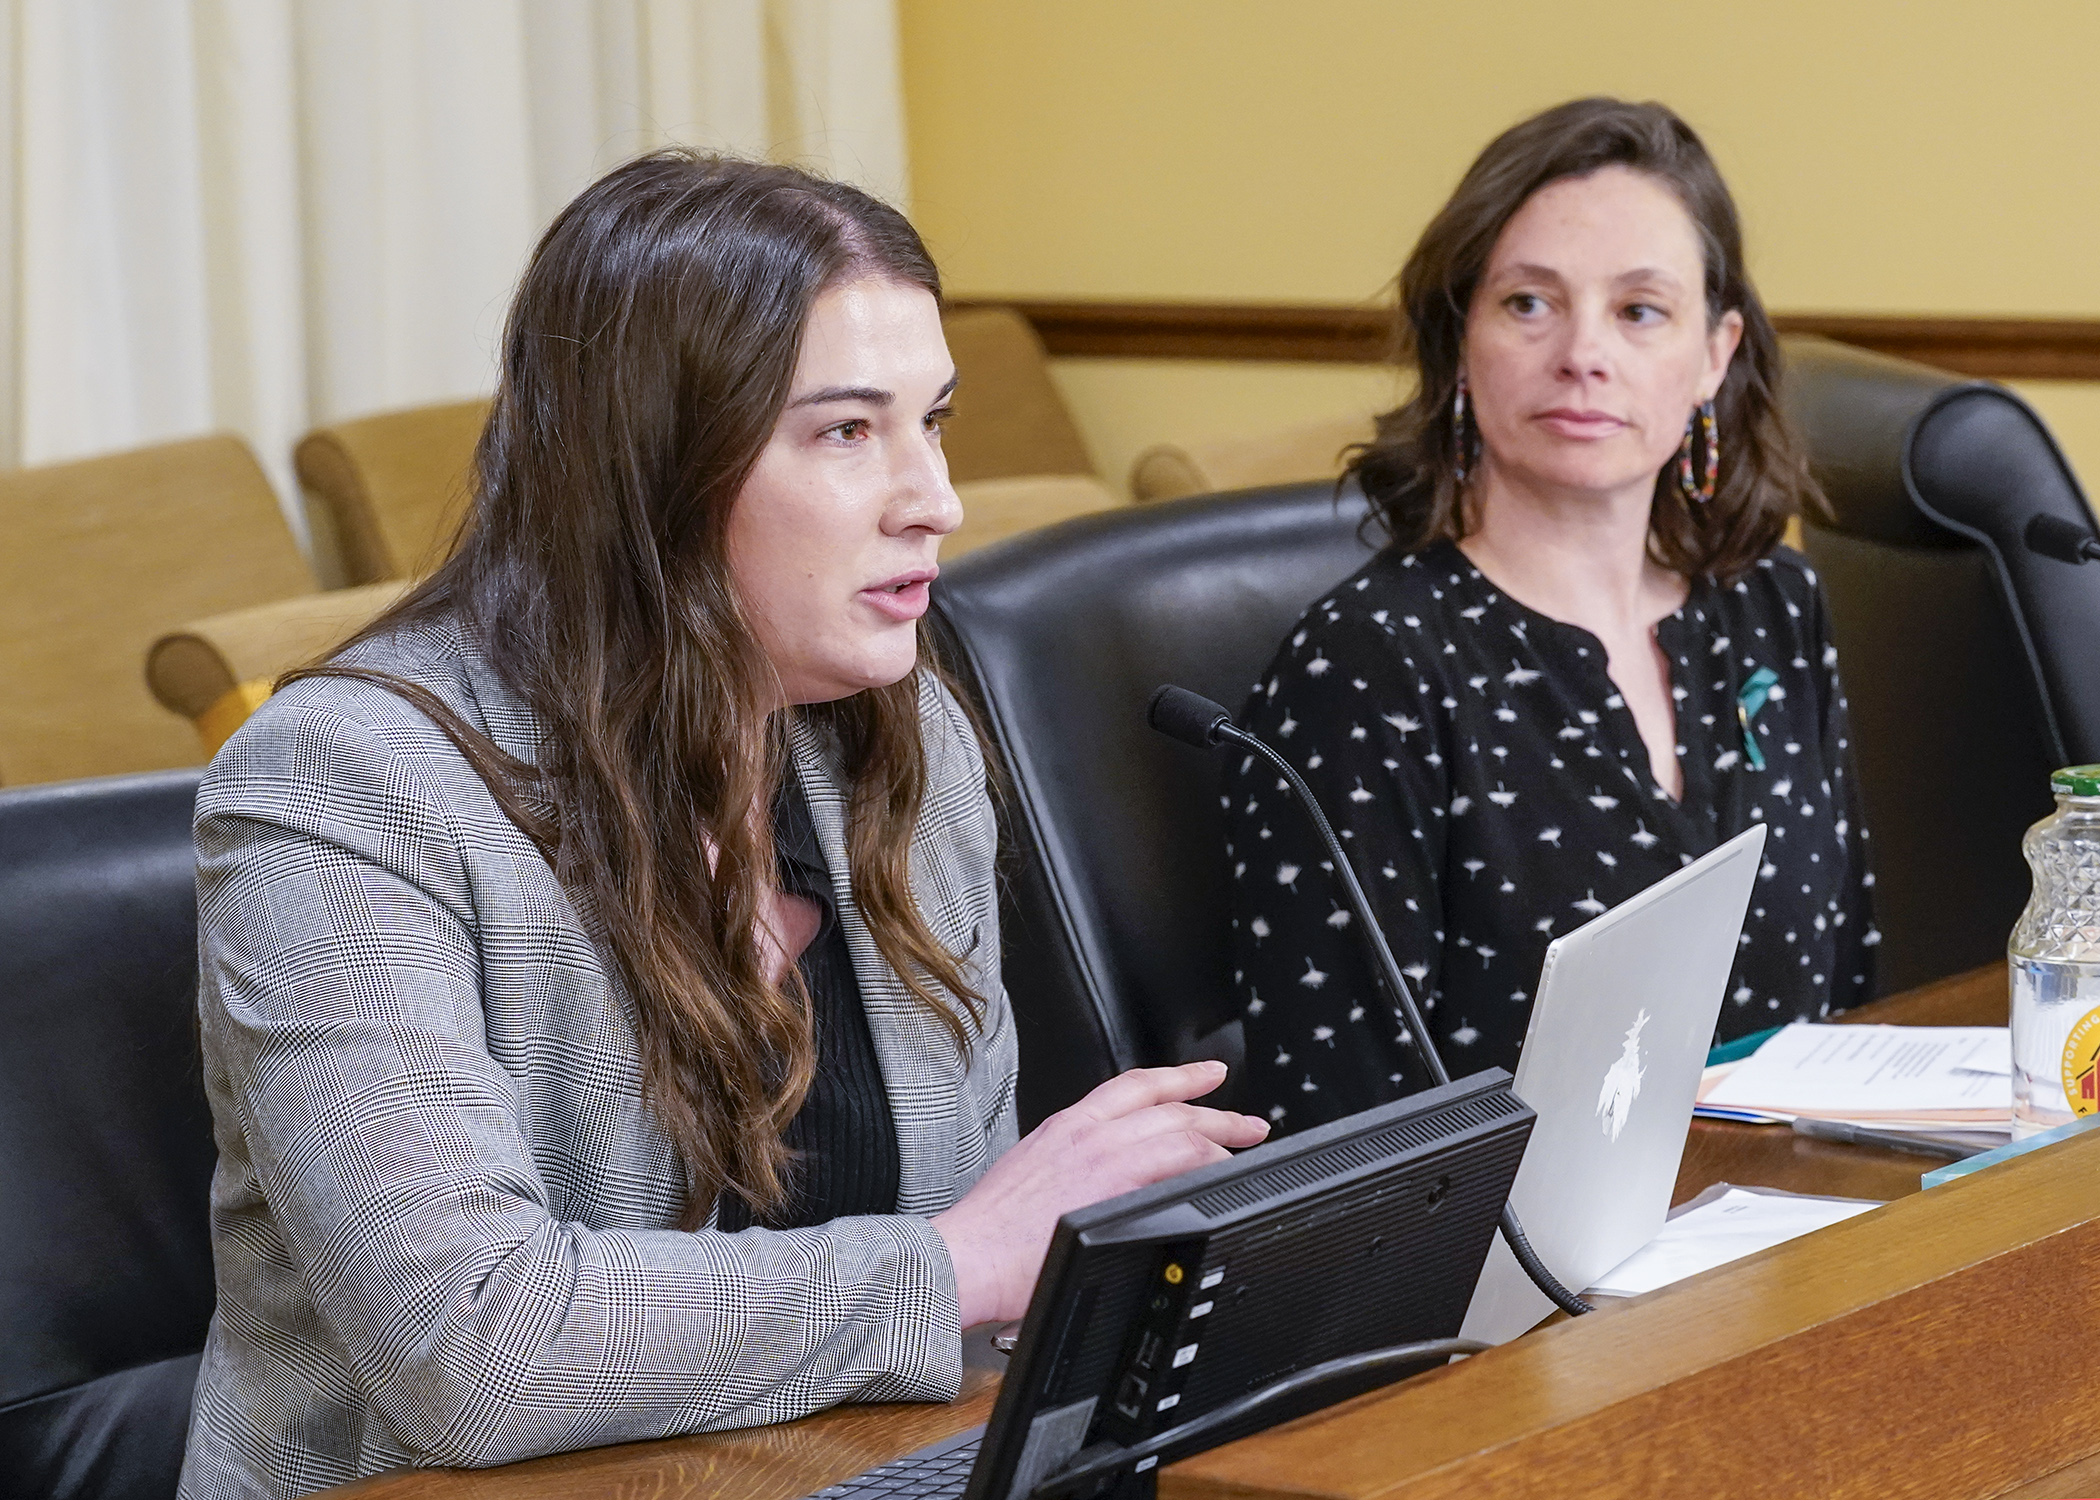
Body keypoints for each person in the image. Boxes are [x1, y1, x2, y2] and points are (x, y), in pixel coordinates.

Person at [180, 152, 1267, 1500]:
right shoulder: (339, 786)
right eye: (846, 431)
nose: (936, 497)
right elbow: (471, 1343)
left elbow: (980, 1316)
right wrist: (959, 1263)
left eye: (934, 420)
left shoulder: (900, 734)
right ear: (649, 471)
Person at [1227, 99, 1877, 1134]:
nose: (1582, 353)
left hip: (1799, 1235)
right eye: (1529, 303)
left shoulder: (1772, 607)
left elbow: (1844, 988)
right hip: (1510, 1279)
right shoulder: (1365, 669)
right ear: (1460, 340)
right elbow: (1342, 1131)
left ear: (1715, 354)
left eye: (1639, 311)